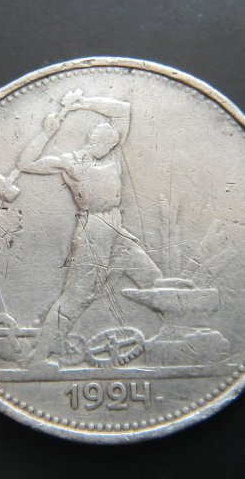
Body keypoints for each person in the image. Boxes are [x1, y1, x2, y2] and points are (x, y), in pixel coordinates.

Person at [16, 89, 165, 366]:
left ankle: (173, 342)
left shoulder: (113, 155)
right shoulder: (72, 161)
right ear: (93, 139)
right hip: (93, 230)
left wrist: (82, 103)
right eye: (100, 138)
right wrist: (46, 134)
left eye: (111, 140)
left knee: (153, 281)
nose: (107, 142)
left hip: (117, 230)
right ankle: (38, 356)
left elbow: (122, 109)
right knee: (78, 294)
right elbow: (25, 164)